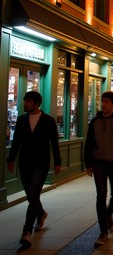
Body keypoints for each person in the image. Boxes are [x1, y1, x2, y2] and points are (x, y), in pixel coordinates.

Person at [7, 91, 62, 248]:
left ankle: (27, 231)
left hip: (41, 162)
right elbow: (16, 141)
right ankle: (41, 213)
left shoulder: (48, 121)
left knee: (33, 193)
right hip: (25, 162)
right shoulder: (22, 120)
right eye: (25, 101)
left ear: (37, 103)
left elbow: (54, 142)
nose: (25, 103)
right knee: (31, 195)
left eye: (28, 101)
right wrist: (11, 159)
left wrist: (57, 162)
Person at [84, 91, 113, 246]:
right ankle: (103, 231)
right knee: (101, 195)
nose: (103, 104)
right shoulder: (95, 121)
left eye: (106, 101)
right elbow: (89, 143)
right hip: (99, 163)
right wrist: (88, 163)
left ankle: (108, 213)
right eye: (102, 101)